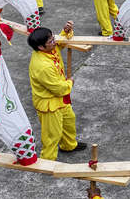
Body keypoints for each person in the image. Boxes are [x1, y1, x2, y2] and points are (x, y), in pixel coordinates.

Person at [27, 21, 88, 161]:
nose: (54, 42)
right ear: (40, 47)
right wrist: (70, 82)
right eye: (51, 41)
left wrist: (65, 32)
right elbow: (59, 89)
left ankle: (68, 145)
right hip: (49, 102)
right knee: (51, 135)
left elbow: (59, 43)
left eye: (53, 38)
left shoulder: (49, 48)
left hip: (59, 99)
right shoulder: (42, 66)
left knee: (69, 120)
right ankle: (47, 161)